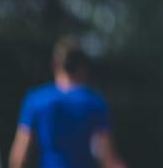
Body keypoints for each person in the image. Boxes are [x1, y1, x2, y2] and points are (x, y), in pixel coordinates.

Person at [9, 36, 126, 168]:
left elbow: (19, 155)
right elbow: (107, 157)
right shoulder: (95, 103)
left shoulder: (35, 100)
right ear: (83, 68)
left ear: (54, 64)